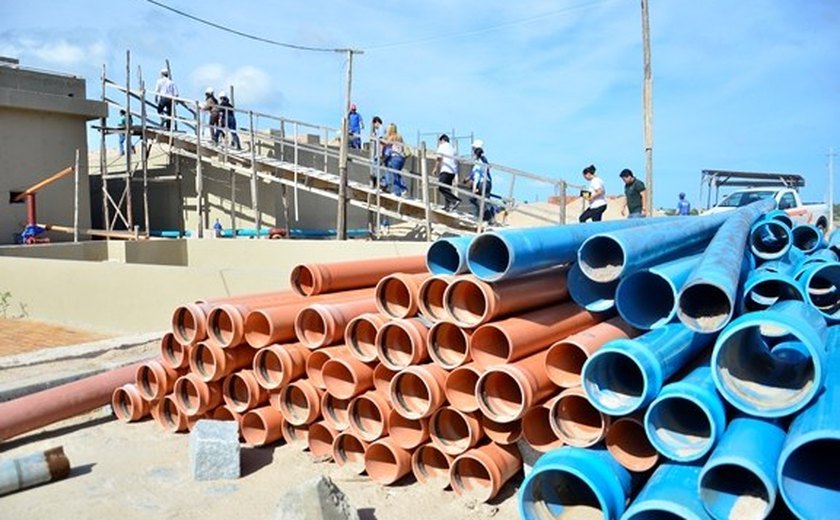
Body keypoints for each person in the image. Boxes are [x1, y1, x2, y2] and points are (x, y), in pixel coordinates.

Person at [467, 140, 494, 222]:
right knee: (485, 201)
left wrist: (474, 188)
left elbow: (477, 176)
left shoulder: (478, 162)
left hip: (482, 183)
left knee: (473, 198)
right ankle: (490, 218)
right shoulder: (484, 159)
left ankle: (478, 217)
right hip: (488, 183)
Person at [434, 134, 460, 211]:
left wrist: (435, 168)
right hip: (453, 171)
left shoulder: (442, 146)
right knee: (447, 188)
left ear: (442, 140)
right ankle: (447, 206)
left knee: (441, 187)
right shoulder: (453, 148)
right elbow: (457, 162)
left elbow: (438, 158)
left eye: (440, 142)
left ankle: (455, 200)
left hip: (446, 170)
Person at [382, 123, 408, 197]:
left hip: (395, 157)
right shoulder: (399, 137)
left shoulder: (392, 137)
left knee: (395, 174)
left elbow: (387, 144)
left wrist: (381, 140)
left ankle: (400, 190)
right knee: (396, 174)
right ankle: (400, 190)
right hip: (401, 158)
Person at [370, 116, 384, 188]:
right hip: (377, 152)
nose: (374, 126)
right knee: (374, 167)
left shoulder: (381, 128)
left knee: (375, 168)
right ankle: (378, 183)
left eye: (374, 124)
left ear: (377, 122)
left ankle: (382, 182)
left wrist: (374, 137)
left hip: (379, 152)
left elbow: (380, 139)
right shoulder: (378, 130)